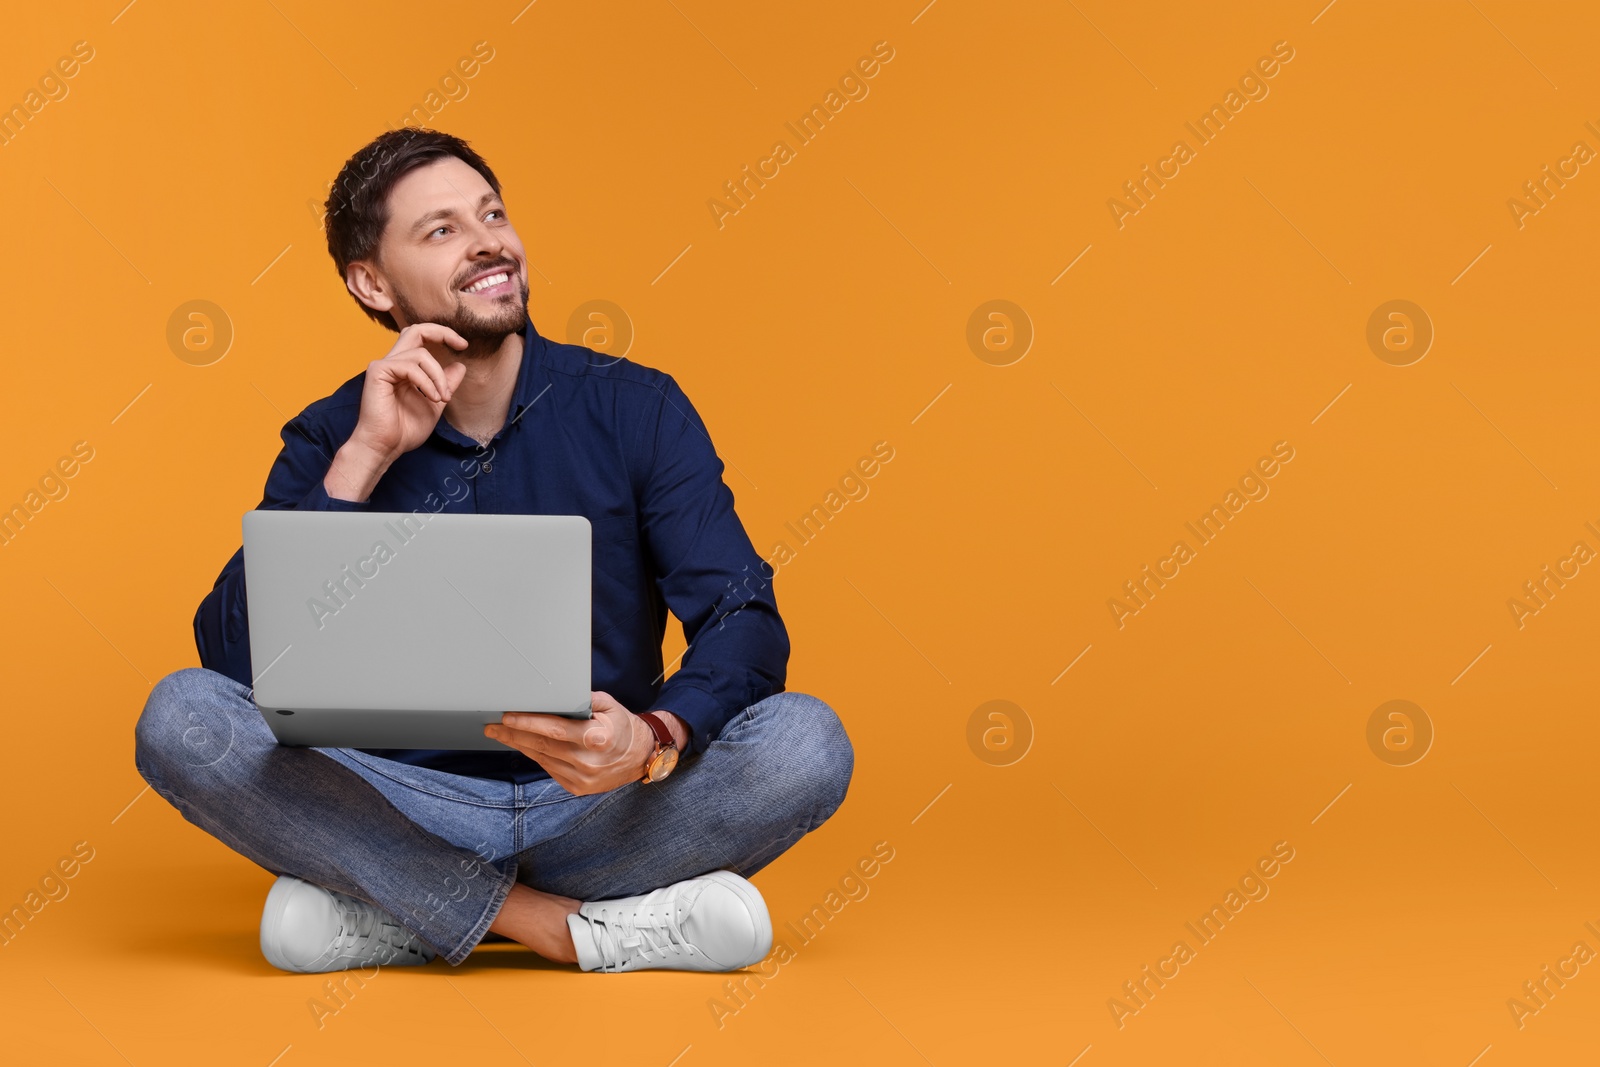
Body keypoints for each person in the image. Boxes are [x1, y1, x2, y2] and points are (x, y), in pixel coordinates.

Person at [133, 128, 853, 975]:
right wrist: (361, 464)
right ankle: (560, 926)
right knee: (179, 717)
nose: (489, 243)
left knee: (806, 742)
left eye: (492, 215)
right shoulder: (335, 435)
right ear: (371, 281)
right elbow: (232, 661)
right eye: (440, 230)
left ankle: (399, 909)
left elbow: (743, 617)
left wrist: (652, 736)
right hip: (397, 803)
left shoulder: (639, 408)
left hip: (597, 804)